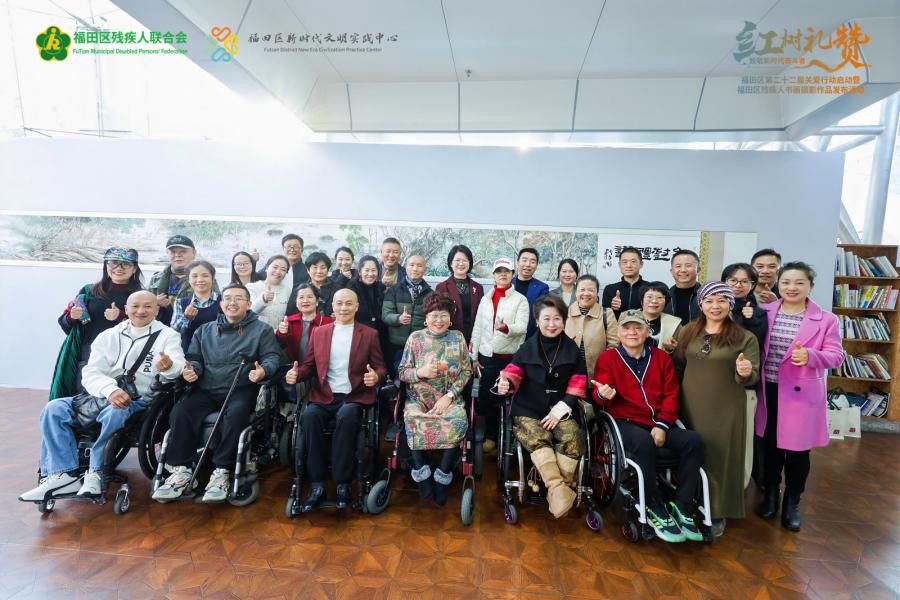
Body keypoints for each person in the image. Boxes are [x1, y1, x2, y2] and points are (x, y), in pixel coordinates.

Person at [21, 291, 185, 501]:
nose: (141, 311)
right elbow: (91, 372)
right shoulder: (108, 336)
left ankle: (95, 472)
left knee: (115, 412)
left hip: (138, 400)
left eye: (147, 306)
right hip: (102, 396)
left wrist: (169, 367)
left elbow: (177, 366)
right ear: (126, 309)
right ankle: (63, 475)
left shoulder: (168, 336)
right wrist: (111, 390)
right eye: (135, 306)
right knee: (54, 409)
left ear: (156, 310)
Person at [152, 283, 282, 503]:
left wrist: (263, 371)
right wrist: (192, 371)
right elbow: (194, 359)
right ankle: (182, 470)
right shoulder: (204, 330)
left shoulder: (262, 330)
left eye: (238, 298)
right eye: (227, 298)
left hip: (240, 388)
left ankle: (221, 470)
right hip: (206, 387)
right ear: (221, 304)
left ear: (249, 303)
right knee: (180, 411)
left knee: (236, 414)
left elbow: (272, 357)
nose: (232, 303)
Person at [592, 310, 705, 543]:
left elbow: (672, 395)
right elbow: (600, 393)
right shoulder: (608, 359)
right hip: (625, 423)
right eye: (626, 328)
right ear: (618, 333)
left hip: (659, 422)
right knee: (643, 442)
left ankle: (683, 505)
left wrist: (662, 425)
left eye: (638, 328)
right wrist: (603, 395)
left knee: (693, 441)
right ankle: (653, 503)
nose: (632, 332)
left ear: (648, 331)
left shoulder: (661, 358)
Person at [755, 262, 843, 532]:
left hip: (800, 395)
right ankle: (771, 494)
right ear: (778, 285)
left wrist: (811, 356)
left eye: (799, 282)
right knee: (769, 448)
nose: (791, 287)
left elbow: (836, 356)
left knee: (797, 452)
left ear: (810, 286)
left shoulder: (826, 319)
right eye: (786, 282)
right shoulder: (765, 311)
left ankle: (792, 501)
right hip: (768, 389)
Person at [285, 289, 387, 511]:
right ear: (332, 306)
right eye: (339, 303)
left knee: (347, 417)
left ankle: (342, 483)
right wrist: (297, 374)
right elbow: (309, 366)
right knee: (309, 417)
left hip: (354, 396)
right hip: (324, 395)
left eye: (349, 303)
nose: (343, 308)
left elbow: (381, 367)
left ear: (356, 307)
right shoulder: (319, 332)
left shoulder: (369, 334)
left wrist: (376, 377)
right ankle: (317, 484)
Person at [673, 282, 760, 537]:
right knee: (691, 455)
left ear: (730, 304)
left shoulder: (745, 337)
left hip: (726, 409)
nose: (715, 306)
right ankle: (688, 504)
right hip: (690, 405)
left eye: (722, 300)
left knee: (721, 457)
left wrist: (745, 371)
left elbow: (752, 375)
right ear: (701, 304)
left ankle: (718, 510)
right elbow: (677, 366)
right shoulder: (688, 331)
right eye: (709, 300)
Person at [496, 295, 587, 518]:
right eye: (546, 319)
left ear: (564, 321)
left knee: (573, 437)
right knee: (537, 437)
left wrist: (560, 409)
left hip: (562, 408)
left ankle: (556, 491)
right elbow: (512, 373)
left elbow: (578, 384)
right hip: (529, 407)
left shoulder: (573, 350)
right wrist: (505, 383)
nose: (551, 324)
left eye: (557, 319)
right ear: (537, 321)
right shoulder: (527, 347)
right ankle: (557, 488)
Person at [398, 293, 473, 505]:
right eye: (434, 315)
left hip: (449, 398)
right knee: (412, 418)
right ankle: (422, 474)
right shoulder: (415, 339)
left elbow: (466, 371)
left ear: (450, 318)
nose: (438, 320)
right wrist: (420, 372)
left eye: (443, 315)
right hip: (419, 399)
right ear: (426, 318)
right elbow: (402, 372)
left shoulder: (457, 338)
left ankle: (442, 476)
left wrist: (449, 396)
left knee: (458, 420)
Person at [50, 247, 145, 400]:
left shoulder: (140, 296)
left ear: (134, 268)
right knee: (83, 400)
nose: (119, 268)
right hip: (88, 356)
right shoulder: (89, 291)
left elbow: (147, 328)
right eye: (113, 262)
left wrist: (120, 317)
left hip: (123, 358)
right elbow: (67, 326)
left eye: (126, 264)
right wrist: (72, 317)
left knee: (115, 400)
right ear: (106, 265)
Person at [470, 258, 529, 452]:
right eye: (498, 271)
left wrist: (505, 328)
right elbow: (478, 328)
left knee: (508, 399)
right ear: (494, 275)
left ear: (512, 274)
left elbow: (522, 328)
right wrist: (474, 357)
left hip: (509, 359)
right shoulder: (485, 299)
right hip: (487, 358)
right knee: (489, 398)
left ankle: (511, 438)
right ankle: (491, 436)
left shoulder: (520, 299)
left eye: (506, 271)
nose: (502, 274)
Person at [722, 263, 770, 493]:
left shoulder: (758, 312)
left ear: (752, 285)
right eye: (732, 280)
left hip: (742, 384)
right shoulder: (713, 305)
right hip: (713, 381)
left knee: (740, 439)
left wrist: (749, 320)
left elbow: (755, 345)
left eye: (744, 281)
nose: (738, 285)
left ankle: (737, 486)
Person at [382, 255, 433, 373]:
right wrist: (399, 318)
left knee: (417, 376)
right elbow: (385, 315)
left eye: (419, 266)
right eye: (411, 265)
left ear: (425, 269)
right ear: (405, 267)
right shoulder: (393, 290)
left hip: (420, 345)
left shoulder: (430, 293)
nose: (415, 269)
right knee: (396, 375)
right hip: (397, 344)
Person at [565, 274, 618, 379]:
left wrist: (605, 367)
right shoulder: (564, 312)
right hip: (568, 371)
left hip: (597, 372)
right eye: (582, 290)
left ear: (597, 293)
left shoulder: (607, 313)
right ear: (576, 292)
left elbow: (613, 344)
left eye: (590, 290)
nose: (586, 293)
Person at [435, 244, 484, 344]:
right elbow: (438, 316)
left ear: (469, 263)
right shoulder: (441, 288)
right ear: (451, 263)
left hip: (473, 340)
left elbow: (481, 316)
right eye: (457, 260)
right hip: (449, 339)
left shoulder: (478, 288)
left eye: (465, 260)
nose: (461, 263)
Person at [149, 236, 202, 326]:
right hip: (160, 327)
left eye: (183, 251)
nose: (178, 255)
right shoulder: (156, 278)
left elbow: (212, 307)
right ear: (167, 254)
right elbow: (143, 304)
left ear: (194, 253)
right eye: (173, 252)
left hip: (192, 327)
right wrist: (154, 302)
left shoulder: (204, 279)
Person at [275, 284, 334, 364]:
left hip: (320, 368)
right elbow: (281, 344)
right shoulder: (289, 321)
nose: (305, 300)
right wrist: (282, 332)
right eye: (301, 297)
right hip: (294, 368)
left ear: (317, 301)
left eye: (309, 297)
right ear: (296, 302)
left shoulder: (329, 323)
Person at [171, 260, 221, 353]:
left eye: (205, 276)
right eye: (194, 276)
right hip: (189, 354)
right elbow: (175, 331)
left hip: (217, 354)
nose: (200, 280)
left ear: (213, 278)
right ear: (188, 279)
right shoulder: (180, 302)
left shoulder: (224, 301)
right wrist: (186, 317)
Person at [512, 248, 550, 337]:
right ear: (517, 262)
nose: (528, 264)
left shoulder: (542, 288)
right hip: (507, 336)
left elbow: (542, 314)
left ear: (536, 265)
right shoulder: (507, 284)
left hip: (530, 336)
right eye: (524, 260)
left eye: (532, 262)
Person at [246, 255, 292, 330]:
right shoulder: (252, 287)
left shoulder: (287, 291)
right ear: (266, 268)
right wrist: (263, 299)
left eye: (283, 269)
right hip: (257, 334)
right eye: (275, 267)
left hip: (277, 334)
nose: (278, 272)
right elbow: (249, 312)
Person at [601, 247, 647, 318]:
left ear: (641, 264)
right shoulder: (609, 289)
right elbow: (605, 317)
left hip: (643, 325)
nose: (629, 265)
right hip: (616, 325)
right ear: (619, 265)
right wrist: (612, 308)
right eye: (625, 262)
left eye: (633, 261)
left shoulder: (649, 289)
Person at [639, 281, 681, 353]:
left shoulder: (675, 324)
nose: (654, 301)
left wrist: (670, 350)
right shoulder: (628, 317)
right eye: (649, 297)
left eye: (659, 297)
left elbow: (682, 353)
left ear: (666, 302)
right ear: (641, 301)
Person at [665, 249, 702, 325]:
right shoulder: (665, 296)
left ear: (698, 269)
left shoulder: (707, 295)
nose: (683, 270)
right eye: (678, 266)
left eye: (688, 266)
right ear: (671, 271)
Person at [305, 252, 338, 317]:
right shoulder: (301, 290)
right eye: (315, 267)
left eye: (323, 268)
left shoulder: (337, 289)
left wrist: (339, 315)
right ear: (308, 270)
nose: (319, 271)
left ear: (328, 270)